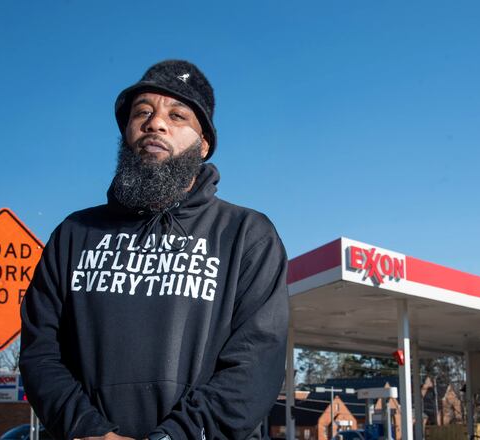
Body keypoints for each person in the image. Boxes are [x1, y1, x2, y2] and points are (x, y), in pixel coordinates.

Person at [19, 60, 289, 440]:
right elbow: (40, 352)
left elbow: (257, 362)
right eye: (142, 112)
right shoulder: (74, 234)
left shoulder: (247, 235)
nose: (155, 123)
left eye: (177, 116)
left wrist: (174, 436)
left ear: (204, 144)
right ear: (126, 132)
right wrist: (90, 431)